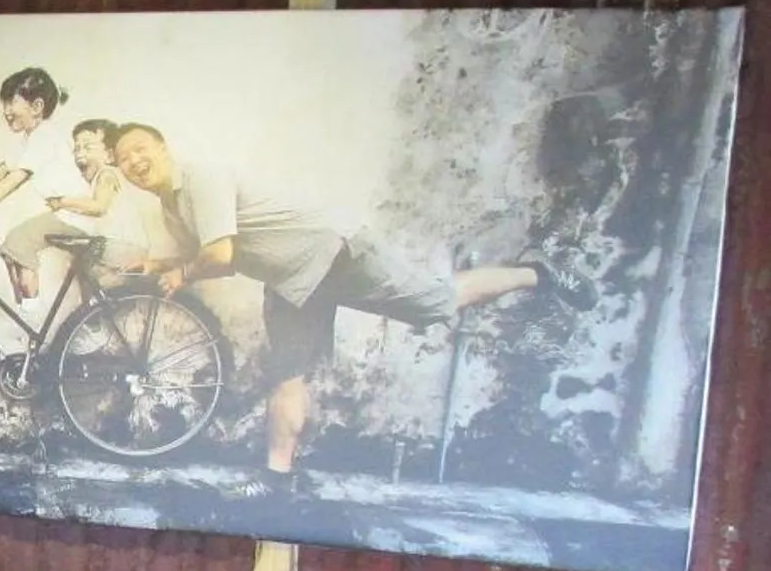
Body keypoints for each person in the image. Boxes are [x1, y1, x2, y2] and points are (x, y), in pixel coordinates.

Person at [110, 124, 594, 476]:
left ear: (163, 147)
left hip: (334, 252)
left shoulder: (202, 178)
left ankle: (536, 273)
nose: (133, 162)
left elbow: (218, 254)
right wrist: (157, 266)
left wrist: (181, 272)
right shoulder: (172, 209)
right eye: (123, 158)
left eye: (139, 149)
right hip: (292, 280)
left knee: (436, 302)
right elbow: (219, 256)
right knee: (287, 374)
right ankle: (278, 478)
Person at [0, 67, 84, 303]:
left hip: (74, 214)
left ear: (37, 107)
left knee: (17, 242)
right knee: (10, 251)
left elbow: (18, 176)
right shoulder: (31, 136)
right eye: (4, 104)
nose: (6, 111)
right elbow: (4, 169)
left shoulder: (45, 136)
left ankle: (31, 314)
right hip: (65, 214)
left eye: (11, 103)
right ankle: (25, 306)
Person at [0, 116, 146, 299]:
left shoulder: (107, 175)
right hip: (114, 245)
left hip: (125, 247)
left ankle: (94, 315)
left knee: (87, 267)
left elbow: (98, 207)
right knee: (84, 271)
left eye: (87, 147)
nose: (79, 153)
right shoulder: (92, 179)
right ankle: (93, 317)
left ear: (108, 155)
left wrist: (62, 202)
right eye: (76, 148)